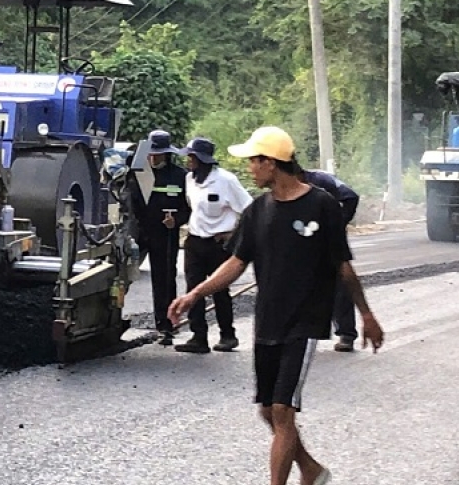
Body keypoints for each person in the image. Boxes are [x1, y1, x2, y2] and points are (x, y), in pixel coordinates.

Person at [169, 126, 384, 485]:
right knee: (269, 411)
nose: (250, 169)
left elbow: (342, 265)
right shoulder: (257, 212)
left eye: (254, 161)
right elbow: (235, 263)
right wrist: (195, 294)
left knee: (283, 410)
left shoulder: (322, 205)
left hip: (304, 322)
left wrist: (366, 314)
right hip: (268, 321)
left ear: (272, 163)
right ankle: (311, 470)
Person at [178, 136, 253, 353]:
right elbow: (192, 207)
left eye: (191, 157)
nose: (188, 161)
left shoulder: (226, 181)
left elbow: (249, 210)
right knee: (194, 289)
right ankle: (198, 336)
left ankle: (228, 335)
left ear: (202, 159)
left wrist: (233, 234)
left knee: (219, 289)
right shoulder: (189, 180)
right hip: (194, 241)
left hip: (219, 243)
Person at [134, 129, 189, 346]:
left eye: (158, 154)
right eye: (151, 153)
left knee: (164, 279)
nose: (153, 158)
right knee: (119, 277)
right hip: (139, 231)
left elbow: (189, 207)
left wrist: (177, 222)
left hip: (165, 233)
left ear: (167, 154)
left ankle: (166, 325)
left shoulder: (180, 176)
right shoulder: (138, 173)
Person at [301, 169, 360, 352]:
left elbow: (351, 196)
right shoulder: (285, 189)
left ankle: (346, 334)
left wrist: (338, 224)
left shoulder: (321, 180)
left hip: (330, 241)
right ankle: (303, 333)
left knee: (340, 285)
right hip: (307, 239)